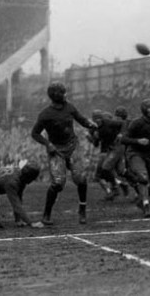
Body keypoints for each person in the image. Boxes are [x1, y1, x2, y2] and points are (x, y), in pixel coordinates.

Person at [31, 82, 97, 225]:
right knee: (58, 184)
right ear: (57, 95)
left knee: (80, 178)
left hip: (73, 146)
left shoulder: (70, 107)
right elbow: (35, 133)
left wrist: (90, 124)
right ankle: (46, 215)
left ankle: (82, 210)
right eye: (64, 92)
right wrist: (48, 144)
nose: (66, 94)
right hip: (57, 150)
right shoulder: (45, 114)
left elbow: (81, 119)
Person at [121, 98, 150, 218]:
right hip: (135, 153)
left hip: (149, 155)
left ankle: (141, 199)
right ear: (144, 110)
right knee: (143, 177)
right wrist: (138, 141)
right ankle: (146, 205)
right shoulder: (137, 123)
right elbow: (123, 139)